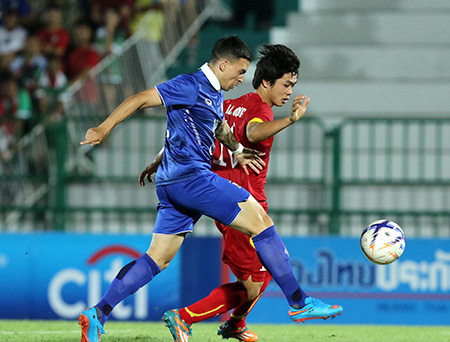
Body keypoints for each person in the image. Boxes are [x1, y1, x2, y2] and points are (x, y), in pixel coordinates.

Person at [78, 36, 342, 342]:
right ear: (223, 64)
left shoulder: (215, 95)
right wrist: (103, 128)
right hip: (192, 179)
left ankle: (97, 313)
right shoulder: (190, 84)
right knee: (262, 224)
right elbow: (139, 99)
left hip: (172, 183)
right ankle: (299, 302)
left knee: (157, 258)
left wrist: (236, 152)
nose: (243, 78)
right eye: (240, 72)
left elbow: (218, 128)